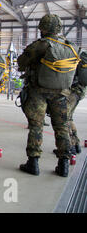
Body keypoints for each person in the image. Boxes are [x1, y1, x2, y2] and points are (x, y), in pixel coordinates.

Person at [17, 14, 79, 177]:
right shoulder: (71, 47)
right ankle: (64, 164)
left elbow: (22, 63)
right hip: (62, 93)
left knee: (36, 126)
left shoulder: (42, 45)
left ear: (44, 28)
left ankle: (33, 162)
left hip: (39, 92)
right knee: (62, 127)